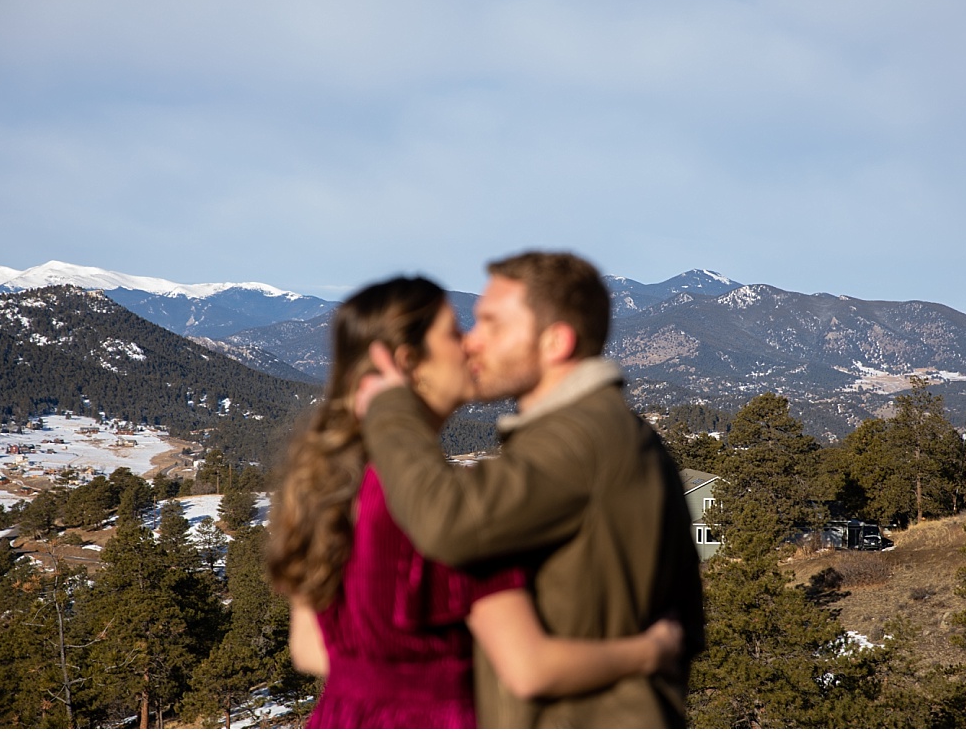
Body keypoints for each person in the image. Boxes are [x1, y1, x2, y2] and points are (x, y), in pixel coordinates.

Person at [266, 276, 682, 729]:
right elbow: (528, 668)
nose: (469, 345)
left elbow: (308, 650)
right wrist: (651, 649)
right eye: (453, 332)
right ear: (410, 363)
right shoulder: (436, 504)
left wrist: (385, 670)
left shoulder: (319, 486)